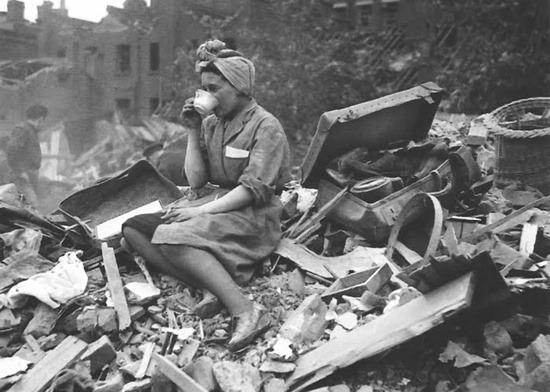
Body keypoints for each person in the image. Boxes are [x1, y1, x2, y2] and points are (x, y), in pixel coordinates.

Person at [122, 40, 291, 351]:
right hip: (212, 202)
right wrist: (191, 129)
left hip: (251, 212)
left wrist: (199, 213)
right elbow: (196, 180)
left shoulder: (266, 126)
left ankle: (246, 309)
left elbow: (254, 190)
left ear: (240, 88)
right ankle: (208, 283)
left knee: (172, 238)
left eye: (215, 89)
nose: (208, 97)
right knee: (132, 230)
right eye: (204, 89)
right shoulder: (213, 123)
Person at [6, 104, 49, 209]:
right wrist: (20, 172)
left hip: (29, 176)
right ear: (40, 119)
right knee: (33, 207)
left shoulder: (30, 131)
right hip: (22, 177)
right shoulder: (23, 130)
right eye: (44, 121)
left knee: (25, 207)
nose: (44, 125)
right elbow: (12, 150)